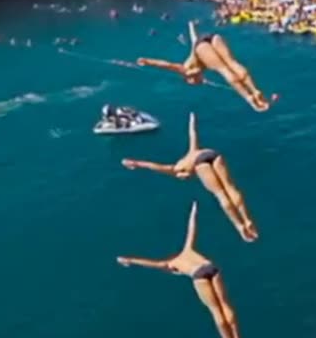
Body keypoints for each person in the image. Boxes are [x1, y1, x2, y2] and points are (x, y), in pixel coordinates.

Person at [122, 112, 258, 241]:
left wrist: (136, 163)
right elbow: (193, 134)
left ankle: (239, 225)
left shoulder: (175, 168)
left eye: (182, 177)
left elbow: (155, 166)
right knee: (231, 187)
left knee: (220, 194)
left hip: (201, 162)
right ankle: (247, 219)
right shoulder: (191, 151)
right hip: (212, 154)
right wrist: (192, 120)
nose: (184, 178)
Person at [117, 202, 242, 338]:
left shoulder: (170, 263)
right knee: (225, 303)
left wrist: (129, 260)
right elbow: (191, 230)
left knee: (216, 310)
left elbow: (151, 263)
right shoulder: (187, 249)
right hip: (210, 267)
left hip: (198, 274)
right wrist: (193, 212)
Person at [136, 21, 276, 111]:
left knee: (224, 69)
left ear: (189, 79)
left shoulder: (185, 70)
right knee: (232, 62)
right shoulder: (199, 69)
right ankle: (254, 89)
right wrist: (192, 27)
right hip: (211, 37)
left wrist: (147, 61)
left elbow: (166, 65)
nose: (199, 80)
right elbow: (194, 39)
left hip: (201, 47)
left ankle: (249, 97)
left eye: (195, 81)